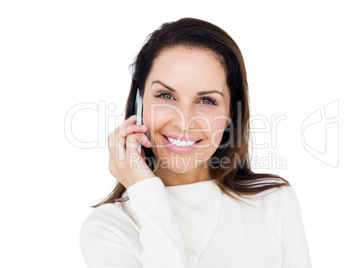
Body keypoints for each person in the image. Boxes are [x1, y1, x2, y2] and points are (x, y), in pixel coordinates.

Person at [79, 17, 312, 268]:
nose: (184, 121)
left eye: (207, 101)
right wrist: (145, 191)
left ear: (231, 114)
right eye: (166, 96)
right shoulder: (109, 228)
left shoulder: (274, 203)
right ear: (139, 101)